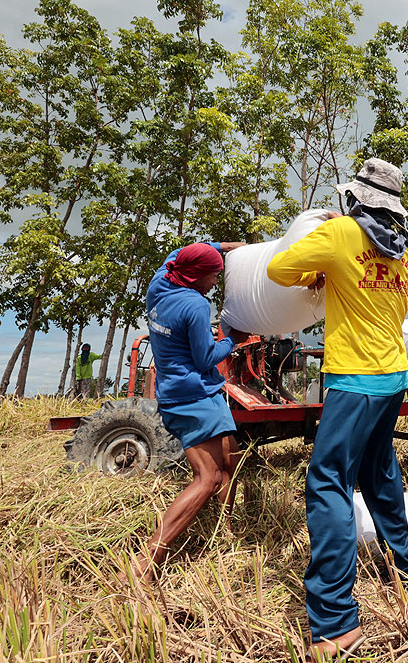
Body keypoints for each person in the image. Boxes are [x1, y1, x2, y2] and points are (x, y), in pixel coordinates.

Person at [266, 158, 408, 661]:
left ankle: (335, 622)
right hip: (394, 375)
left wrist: (327, 243)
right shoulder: (407, 248)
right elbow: (366, 289)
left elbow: (276, 268)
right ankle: (404, 569)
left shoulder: (339, 235)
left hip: (354, 380)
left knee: (327, 482)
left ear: (355, 198)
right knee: (379, 471)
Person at [133, 240, 249, 583]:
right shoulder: (195, 306)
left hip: (179, 392)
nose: (217, 281)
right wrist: (233, 338)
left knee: (230, 457)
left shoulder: (162, 281)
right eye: (214, 275)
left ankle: (223, 532)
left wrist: (228, 247)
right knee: (208, 478)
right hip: (194, 397)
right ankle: (147, 560)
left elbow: (184, 251)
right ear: (198, 276)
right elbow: (205, 358)